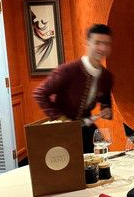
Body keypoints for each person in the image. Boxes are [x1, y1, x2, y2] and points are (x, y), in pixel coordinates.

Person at [33, 23, 113, 153]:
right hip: (62, 133)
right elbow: (39, 93)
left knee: (94, 163)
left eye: (106, 44)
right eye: (98, 43)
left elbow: (105, 100)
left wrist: (106, 109)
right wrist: (61, 118)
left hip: (86, 131)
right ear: (87, 44)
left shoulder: (107, 77)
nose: (102, 48)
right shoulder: (68, 70)